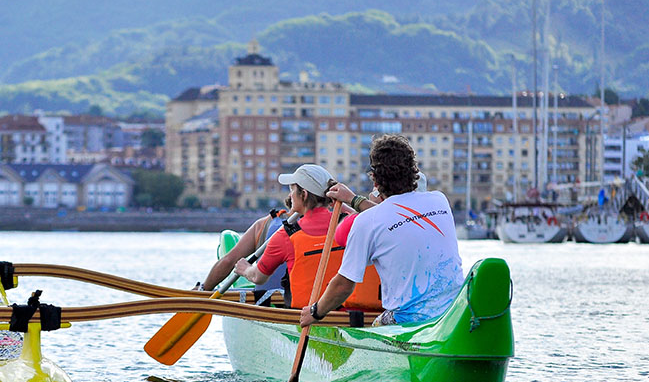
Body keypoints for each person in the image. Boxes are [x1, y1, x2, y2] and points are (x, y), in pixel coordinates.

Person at [300, 135, 462, 327]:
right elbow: (396, 216)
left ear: (375, 180)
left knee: (377, 323)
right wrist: (354, 201)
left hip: (410, 321)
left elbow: (343, 285)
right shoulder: (439, 200)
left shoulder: (367, 222)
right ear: (414, 173)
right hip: (454, 313)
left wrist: (315, 312)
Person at [234, 164, 340, 309]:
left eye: (292, 190)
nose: (290, 196)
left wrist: (245, 268)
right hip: (342, 312)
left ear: (304, 194)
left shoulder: (285, 235)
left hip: (304, 315)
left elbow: (258, 277)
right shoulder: (347, 223)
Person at [194, 203, 291, 304]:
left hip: (265, 305)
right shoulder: (306, 227)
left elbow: (228, 261)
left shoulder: (263, 225)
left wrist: (203, 290)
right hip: (298, 307)